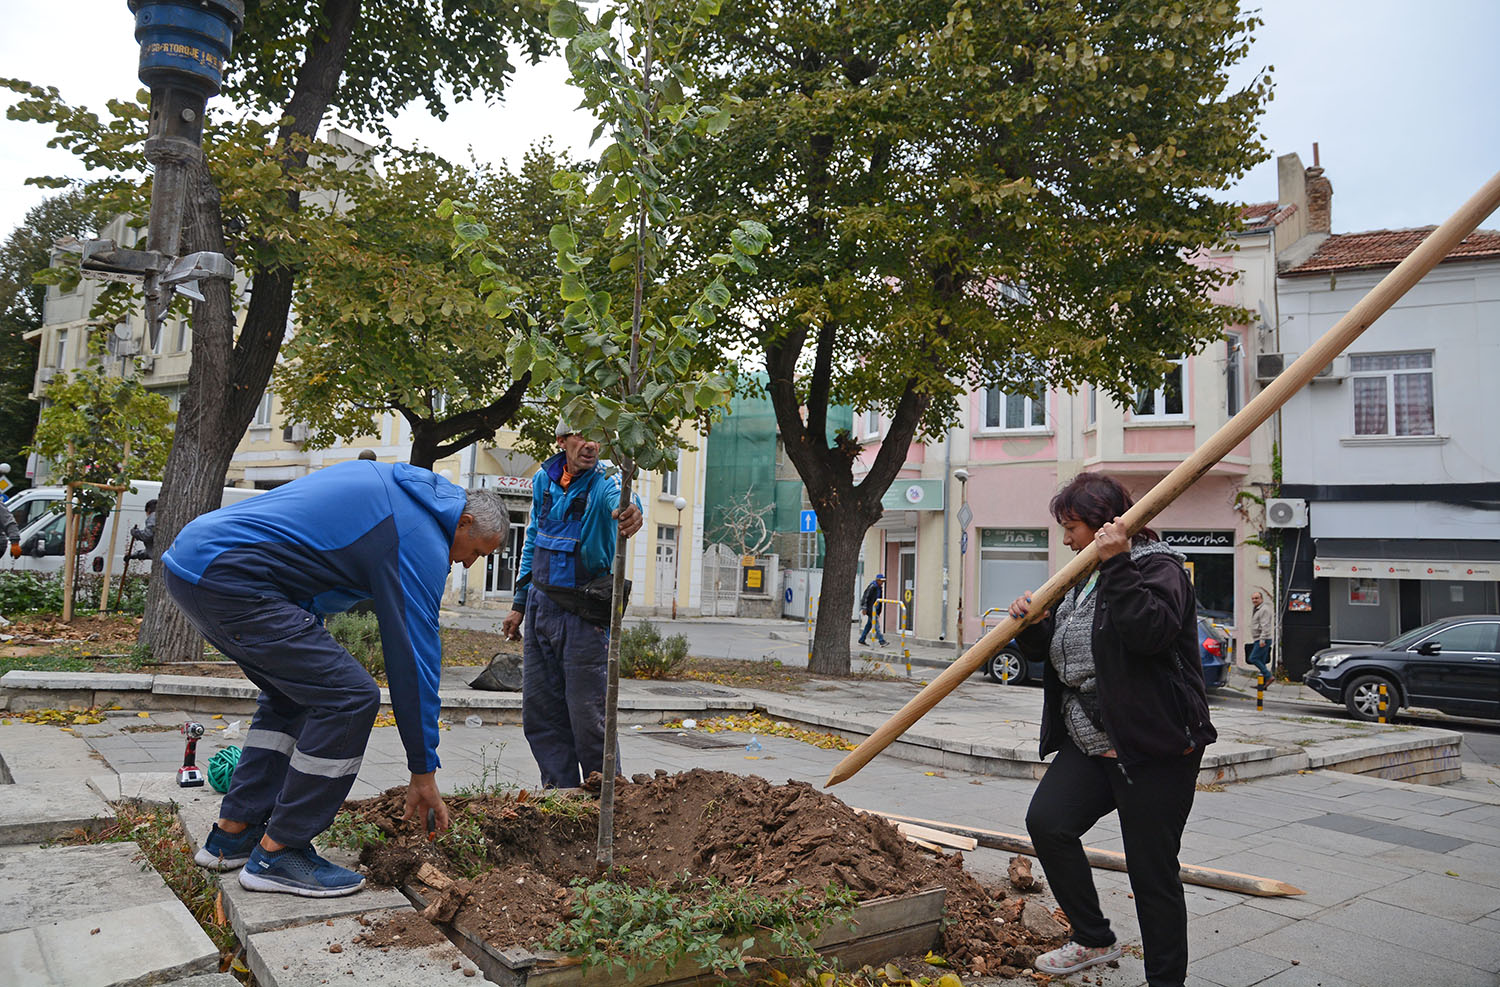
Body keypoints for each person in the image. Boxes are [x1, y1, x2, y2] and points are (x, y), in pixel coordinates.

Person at [161, 460, 507, 897]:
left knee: (293, 696)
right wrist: (423, 769)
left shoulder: (397, 489)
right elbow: (415, 658)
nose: (468, 563)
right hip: (233, 577)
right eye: (477, 552)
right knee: (351, 698)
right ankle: (280, 852)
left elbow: (308, 557)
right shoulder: (420, 534)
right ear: (465, 522)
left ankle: (234, 833)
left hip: (196, 564)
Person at [1008, 473, 1216, 987]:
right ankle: (1093, 937)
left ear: (1104, 524)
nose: (1066, 540)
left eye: (1072, 527)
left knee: (1152, 872)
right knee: (1049, 823)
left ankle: (1165, 981)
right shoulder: (1083, 576)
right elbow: (1064, 652)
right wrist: (1035, 627)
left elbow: (1148, 634)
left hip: (1152, 747)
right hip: (1092, 739)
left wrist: (1119, 562)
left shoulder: (1160, 568)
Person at [500, 420, 643, 790]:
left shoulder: (606, 480)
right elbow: (533, 539)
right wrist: (519, 603)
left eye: (597, 436)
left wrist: (632, 510)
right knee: (541, 714)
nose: (590, 444)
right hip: (540, 606)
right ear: (562, 440)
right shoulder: (543, 480)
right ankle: (559, 796)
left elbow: (623, 499)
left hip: (584, 613)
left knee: (588, 715)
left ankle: (603, 797)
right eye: (581, 436)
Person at [1246, 590, 1274, 688]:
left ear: (1261, 599)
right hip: (1259, 639)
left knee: (1253, 658)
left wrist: (1262, 640)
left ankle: (1269, 676)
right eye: (1253, 599)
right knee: (1262, 661)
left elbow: (1265, 625)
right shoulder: (1257, 609)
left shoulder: (1264, 609)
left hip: (1263, 639)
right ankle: (1262, 685)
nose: (1254, 600)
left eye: (1257, 598)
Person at [858, 574, 887, 646]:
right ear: (877, 580)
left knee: (869, 625)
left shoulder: (879, 588)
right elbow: (866, 597)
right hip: (870, 609)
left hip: (875, 609)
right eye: (881, 581)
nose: (882, 583)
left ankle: (862, 639)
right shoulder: (872, 587)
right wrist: (864, 608)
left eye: (883, 581)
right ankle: (881, 641)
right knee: (876, 625)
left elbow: (879, 600)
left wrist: (879, 611)